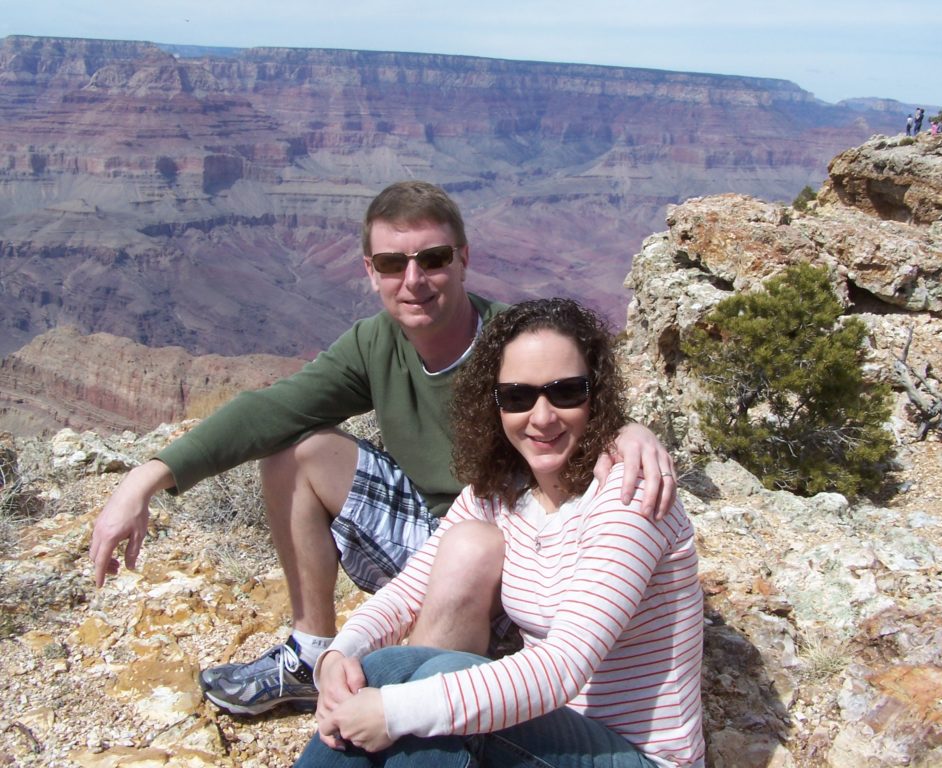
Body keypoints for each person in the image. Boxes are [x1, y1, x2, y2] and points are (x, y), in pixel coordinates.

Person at [89, 181, 680, 716]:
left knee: (468, 548)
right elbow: (270, 410)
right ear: (371, 271)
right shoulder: (376, 343)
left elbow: (571, 405)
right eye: (394, 263)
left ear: (464, 259)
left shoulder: (509, 343)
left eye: (434, 259)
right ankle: (309, 654)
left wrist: (629, 432)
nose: (414, 280)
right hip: (433, 534)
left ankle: (419, 714)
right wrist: (145, 478)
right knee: (295, 451)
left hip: (508, 551)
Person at [297, 298, 705, 768]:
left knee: (435, 705)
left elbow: (563, 667)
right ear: (493, 404)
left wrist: (393, 712)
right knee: (381, 669)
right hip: (548, 732)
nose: (543, 416)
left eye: (567, 391)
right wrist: (337, 656)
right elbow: (409, 592)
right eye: (518, 396)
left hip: (638, 758)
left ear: (597, 394)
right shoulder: (500, 493)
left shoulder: (630, 496)